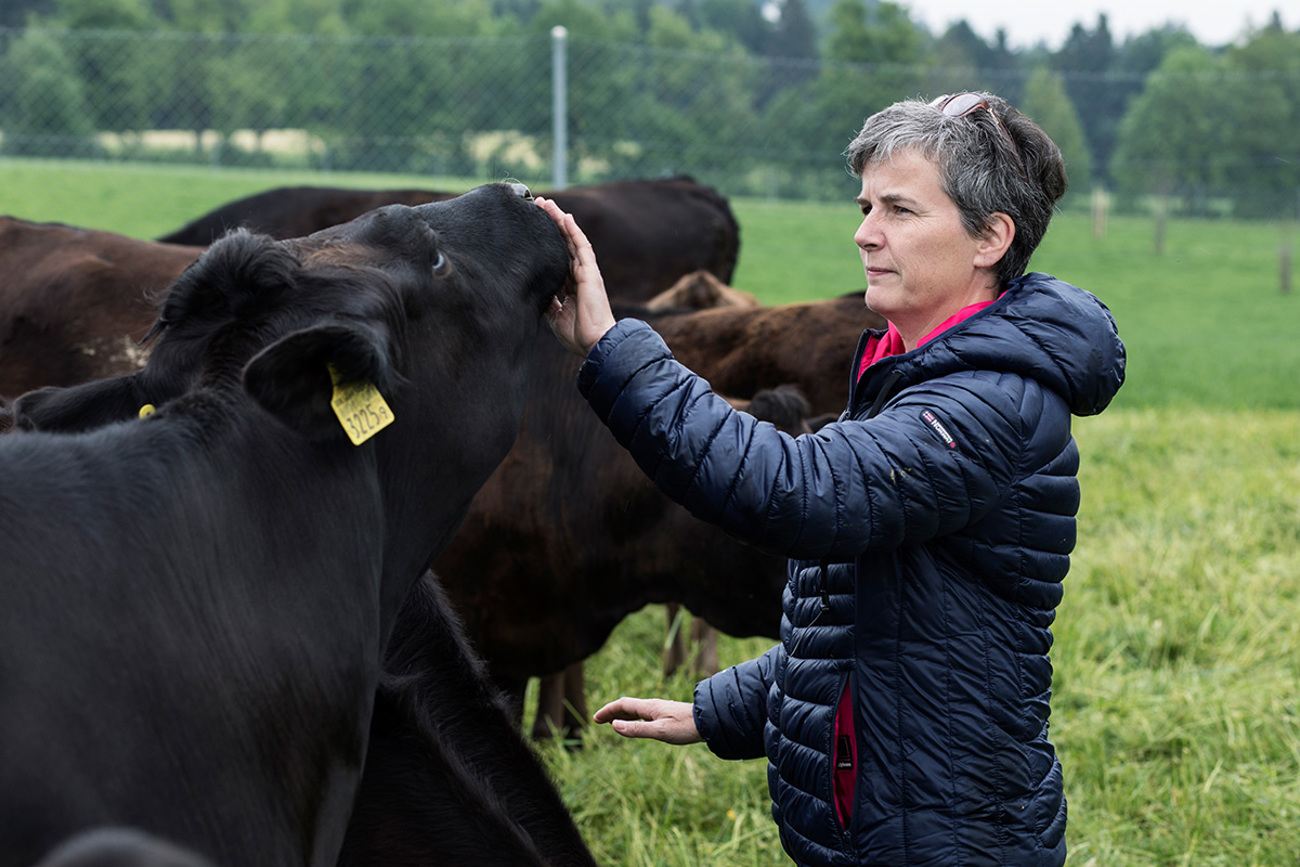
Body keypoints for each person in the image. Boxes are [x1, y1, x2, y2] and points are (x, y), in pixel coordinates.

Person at [537, 91, 1125, 867]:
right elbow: (881, 636)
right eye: (865, 204)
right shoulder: (914, 373)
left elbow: (798, 489)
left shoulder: (987, 404)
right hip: (899, 815)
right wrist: (716, 709)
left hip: (946, 835)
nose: (864, 232)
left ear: (990, 237)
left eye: (900, 211)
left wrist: (614, 348)